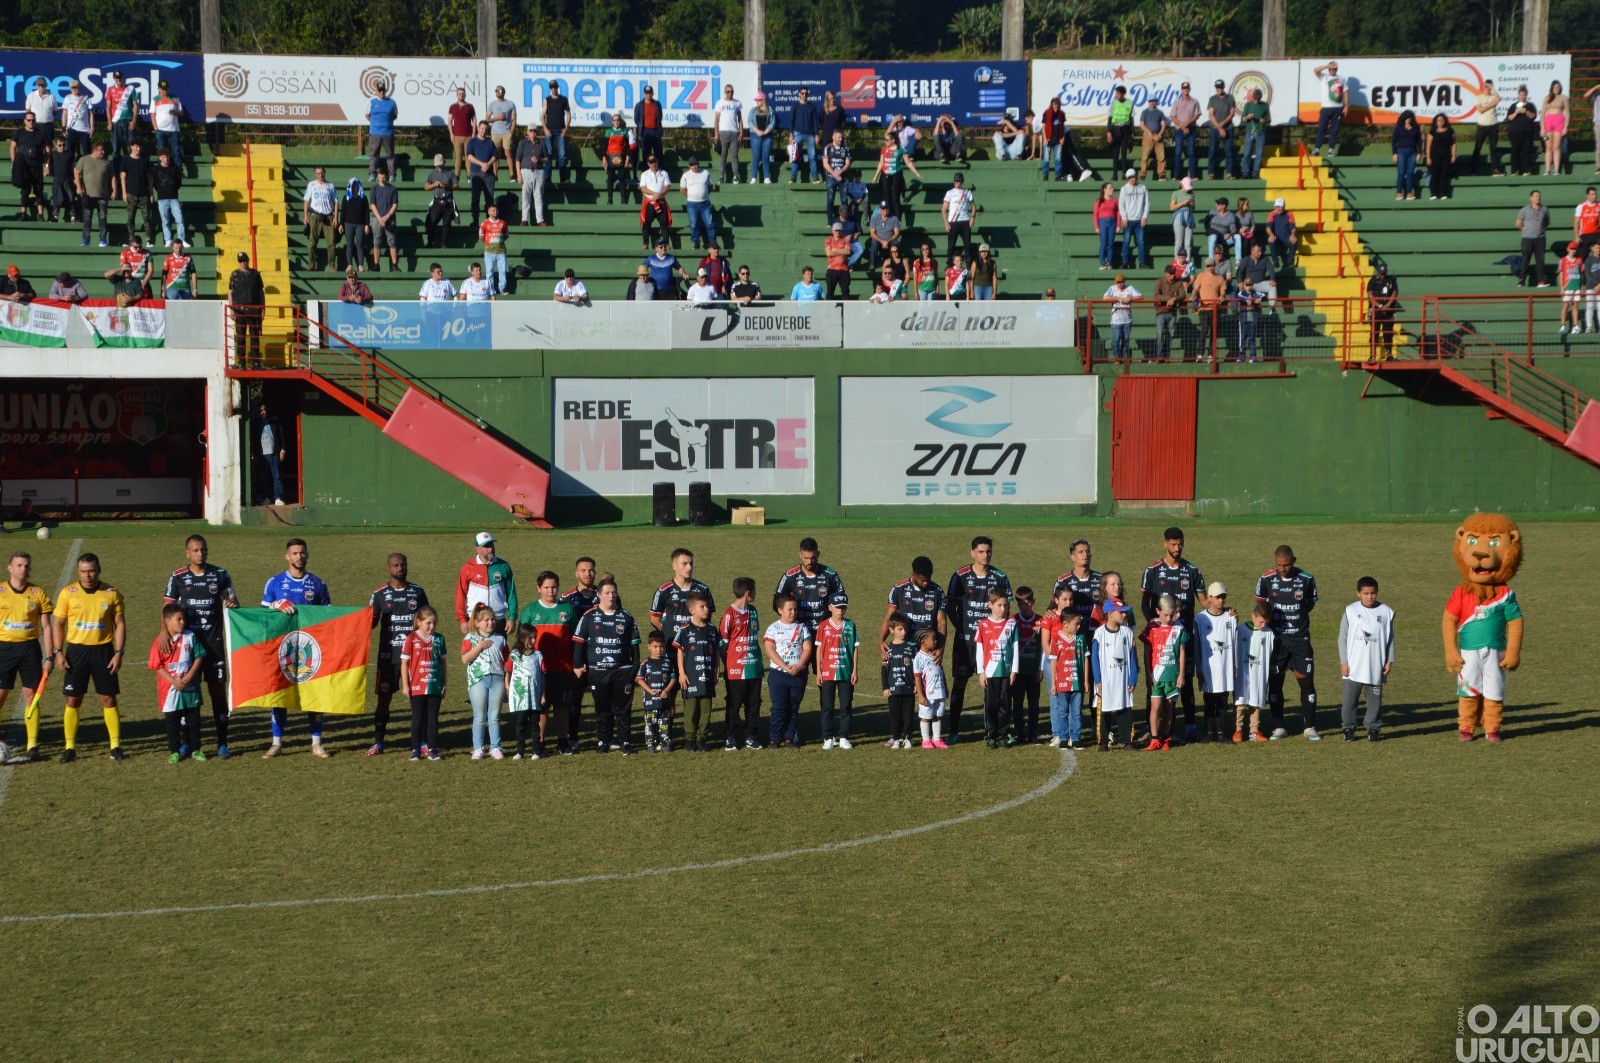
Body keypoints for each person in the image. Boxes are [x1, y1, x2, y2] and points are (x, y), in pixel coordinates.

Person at [260, 540, 331, 757]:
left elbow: (328, 618)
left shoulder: (319, 585)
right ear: (287, 557)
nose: (298, 556)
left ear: (307, 555)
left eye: (302, 553)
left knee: (314, 694)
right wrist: (274, 605)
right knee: (280, 694)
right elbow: (262, 616)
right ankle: (277, 743)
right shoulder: (274, 583)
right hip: (283, 648)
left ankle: (317, 743)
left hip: (310, 649)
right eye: (294, 553)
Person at [1139, 528, 1204, 740]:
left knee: (1184, 680)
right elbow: (1144, 602)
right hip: (1159, 640)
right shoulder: (1153, 570)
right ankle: (1153, 729)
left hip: (1183, 639)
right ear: (1165, 543)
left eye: (1180, 544)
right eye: (1173, 544)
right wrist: (1154, 623)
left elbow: (1204, 602)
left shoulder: (1192, 570)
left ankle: (1190, 726)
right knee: (1156, 681)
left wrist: (1226, 609)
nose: (1177, 548)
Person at [945, 537, 1010, 744]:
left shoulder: (1000, 576)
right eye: (981, 551)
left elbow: (1006, 608)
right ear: (972, 552)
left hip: (992, 644)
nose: (985, 555)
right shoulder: (960, 575)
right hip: (965, 643)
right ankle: (953, 731)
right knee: (960, 684)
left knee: (992, 686)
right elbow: (950, 607)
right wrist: (963, 628)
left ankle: (991, 731)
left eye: (988, 551)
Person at [1255, 544, 1319, 741]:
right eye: (1278, 565)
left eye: (1286, 564)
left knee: (1306, 683)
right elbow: (1261, 605)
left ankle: (1309, 727)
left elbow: (1310, 603)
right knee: (1275, 684)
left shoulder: (1306, 579)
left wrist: (1296, 620)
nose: (1282, 568)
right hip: (1277, 641)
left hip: (1300, 640)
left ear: (1293, 560)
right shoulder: (1266, 579)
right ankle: (1279, 727)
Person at [368, 552, 428, 756]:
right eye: (395, 565)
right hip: (388, 656)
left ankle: (423, 742)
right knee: (383, 700)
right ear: (388, 568)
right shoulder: (379, 594)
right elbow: (371, 624)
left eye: (403, 564)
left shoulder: (418, 592)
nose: (400, 568)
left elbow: (428, 621)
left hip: (415, 657)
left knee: (418, 700)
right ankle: (378, 742)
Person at [1, 551, 57, 764]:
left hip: (29, 650)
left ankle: (32, 744)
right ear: (10, 568)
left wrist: (50, 656)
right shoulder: (0, 591)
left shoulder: (37, 593)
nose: (23, 569)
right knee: (1, 695)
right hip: (3, 649)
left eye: (26, 566)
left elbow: (46, 627)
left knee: (30, 696)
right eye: (19, 565)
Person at [572, 579, 638, 756]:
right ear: (599, 595)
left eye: (614, 592)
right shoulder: (589, 616)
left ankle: (624, 740)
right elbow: (579, 642)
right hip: (598, 671)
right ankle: (603, 741)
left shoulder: (626, 616)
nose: (611, 596)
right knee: (602, 709)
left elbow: (634, 645)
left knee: (623, 709)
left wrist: (634, 668)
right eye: (607, 592)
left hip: (622, 670)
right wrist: (577, 664)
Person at [519, 571, 579, 753]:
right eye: (546, 587)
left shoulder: (567, 609)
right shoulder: (530, 611)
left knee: (562, 707)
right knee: (541, 708)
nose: (550, 591)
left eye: (554, 587)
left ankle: (562, 742)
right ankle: (541, 743)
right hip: (538, 669)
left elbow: (576, 637)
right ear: (539, 588)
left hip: (563, 667)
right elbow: (521, 641)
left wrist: (576, 663)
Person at [1338, 577, 1395, 742]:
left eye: (1373, 593)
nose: (1370, 597)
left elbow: (1390, 638)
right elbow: (1342, 638)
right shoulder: (1350, 611)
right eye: (1366, 593)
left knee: (1375, 701)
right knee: (1349, 701)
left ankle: (1373, 729)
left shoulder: (1386, 612)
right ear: (1358, 593)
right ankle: (1348, 728)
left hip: (1375, 665)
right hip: (1353, 665)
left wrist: (1389, 660)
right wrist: (1344, 661)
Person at [149, 603, 206, 763]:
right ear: (167, 621)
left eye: (183, 619)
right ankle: (174, 750)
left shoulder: (190, 636)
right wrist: (173, 681)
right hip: (170, 690)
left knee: (194, 721)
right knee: (172, 722)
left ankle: (196, 749)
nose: (182, 622)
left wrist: (188, 677)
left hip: (190, 687)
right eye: (178, 619)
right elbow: (156, 665)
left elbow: (199, 656)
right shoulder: (160, 642)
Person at [762, 594, 812, 749]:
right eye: (789, 609)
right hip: (778, 674)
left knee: (793, 707)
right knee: (778, 707)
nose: (793, 612)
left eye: (795, 609)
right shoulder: (773, 628)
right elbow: (769, 650)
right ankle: (774, 738)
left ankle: (790, 738)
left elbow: (808, 648)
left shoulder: (802, 627)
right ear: (779, 610)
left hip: (798, 675)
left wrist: (799, 665)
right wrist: (784, 666)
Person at [1139, 594, 1188, 750]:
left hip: (1172, 675)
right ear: (1158, 611)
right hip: (1156, 676)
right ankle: (1154, 738)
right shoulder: (1151, 628)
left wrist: (1181, 674)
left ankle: (1166, 738)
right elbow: (1147, 652)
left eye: (1171, 614)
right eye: (1165, 614)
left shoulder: (1179, 628)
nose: (1169, 617)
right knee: (1155, 706)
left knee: (1169, 707)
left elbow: (1182, 652)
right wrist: (1148, 674)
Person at [671, 594, 719, 753]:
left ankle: (702, 738)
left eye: (707, 606)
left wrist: (717, 669)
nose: (706, 609)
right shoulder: (684, 629)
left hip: (707, 675)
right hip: (690, 676)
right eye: (702, 607)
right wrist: (682, 673)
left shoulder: (712, 629)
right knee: (691, 710)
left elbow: (716, 651)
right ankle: (690, 739)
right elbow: (680, 652)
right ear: (692, 610)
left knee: (706, 710)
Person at [401, 607, 447, 761]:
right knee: (417, 718)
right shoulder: (411, 639)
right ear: (419, 622)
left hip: (434, 685)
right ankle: (416, 750)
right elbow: (404, 663)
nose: (432, 626)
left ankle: (433, 750)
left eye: (434, 623)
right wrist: (406, 685)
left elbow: (443, 663)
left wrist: (445, 682)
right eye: (428, 623)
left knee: (432, 718)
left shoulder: (439, 639)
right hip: (416, 685)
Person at [460, 604, 506, 760]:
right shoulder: (470, 638)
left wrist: (507, 680)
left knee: (494, 716)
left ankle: (495, 747)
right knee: (479, 716)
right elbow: (465, 658)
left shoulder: (500, 639)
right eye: (486, 620)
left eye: (493, 619)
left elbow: (507, 661)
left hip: (497, 679)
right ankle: (478, 748)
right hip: (478, 681)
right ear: (477, 622)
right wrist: (479, 647)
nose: (490, 622)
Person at [813, 593, 858, 749]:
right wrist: (818, 672)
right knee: (827, 706)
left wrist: (854, 671)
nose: (841, 610)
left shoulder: (851, 625)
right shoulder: (823, 626)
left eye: (843, 607)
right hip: (827, 672)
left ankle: (844, 736)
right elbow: (819, 650)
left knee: (846, 705)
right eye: (838, 607)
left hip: (845, 672)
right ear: (830, 607)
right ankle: (828, 737)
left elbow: (855, 649)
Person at [1091, 602, 1138, 750]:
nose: (1124, 615)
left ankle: (1126, 741)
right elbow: (1094, 659)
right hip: (1105, 680)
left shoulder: (1127, 633)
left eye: (1125, 612)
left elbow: (1132, 657)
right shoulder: (1099, 633)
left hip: (1123, 680)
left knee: (1124, 709)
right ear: (1110, 614)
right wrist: (1098, 680)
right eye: (1121, 612)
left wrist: (1133, 678)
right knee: (1105, 710)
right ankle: (1103, 742)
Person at [1194, 582, 1237, 743]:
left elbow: (1235, 642)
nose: (1221, 600)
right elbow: (1197, 646)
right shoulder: (1200, 619)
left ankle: (1221, 732)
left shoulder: (1231, 617)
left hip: (1226, 668)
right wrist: (1199, 667)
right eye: (1218, 597)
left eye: (1224, 597)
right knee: (1209, 701)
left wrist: (1235, 666)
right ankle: (1209, 732)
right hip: (1208, 669)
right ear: (1209, 598)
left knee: (1223, 701)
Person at [454, 530, 518, 636]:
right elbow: (460, 594)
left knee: (499, 652)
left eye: (491, 545)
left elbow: (511, 593)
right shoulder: (468, 568)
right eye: (486, 546)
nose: (491, 549)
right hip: (475, 621)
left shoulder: (504, 566)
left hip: (498, 620)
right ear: (477, 549)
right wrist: (462, 619)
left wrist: (512, 617)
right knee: (474, 652)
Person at [506, 623, 546, 759]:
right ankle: (520, 751)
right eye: (531, 638)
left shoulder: (538, 655)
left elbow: (542, 675)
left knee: (535, 724)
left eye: (535, 638)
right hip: (520, 697)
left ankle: (536, 751)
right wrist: (507, 685)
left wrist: (543, 694)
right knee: (520, 724)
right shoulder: (515, 654)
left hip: (534, 697)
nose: (534, 641)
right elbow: (508, 670)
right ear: (523, 638)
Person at [1235, 602, 1274, 742]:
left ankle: (1254, 731)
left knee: (1255, 701)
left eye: (1266, 622)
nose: (1263, 625)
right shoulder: (1240, 630)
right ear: (1253, 616)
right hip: (1242, 673)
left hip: (1259, 674)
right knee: (1240, 701)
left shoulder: (1269, 633)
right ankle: (1238, 730)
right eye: (1261, 621)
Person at [881, 613, 917, 749]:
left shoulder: (911, 646)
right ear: (891, 630)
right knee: (895, 716)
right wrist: (885, 687)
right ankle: (896, 738)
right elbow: (884, 670)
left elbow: (917, 667)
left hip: (908, 688)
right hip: (893, 689)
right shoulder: (888, 648)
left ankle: (908, 738)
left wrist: (916, 685)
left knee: (908, 715)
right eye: (900, 629)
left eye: (905, 629)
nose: (903, 632)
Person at [636, 632, 676, 752]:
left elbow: (673, 678)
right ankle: (651, 744)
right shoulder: (645, 663)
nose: (658, 650)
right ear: (649, 646)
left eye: (661, 647)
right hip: (650, 702)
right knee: (650, 724)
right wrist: (649, 691)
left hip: (664, 701)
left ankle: (665, 744)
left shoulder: (668, 663)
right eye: (655, 646)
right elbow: (639, 679)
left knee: (664, 724)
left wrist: (667, 690)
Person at [872, 128, 922, 220]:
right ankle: (886, 219)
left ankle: (897, 220)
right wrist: (876, 175)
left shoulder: (901, 149)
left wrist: (917, 173)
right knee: (886, 199)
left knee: (895, 199)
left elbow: (908, 163)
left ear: (893, 140)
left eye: (887, 140)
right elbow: (881, 163)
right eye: (885, 140)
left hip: (896, 176)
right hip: (885, 176)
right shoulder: (884, 149)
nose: (886, 142)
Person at [227, 252, 265, 366]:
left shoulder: (255, 274)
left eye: (244, 260)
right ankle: (242, 361)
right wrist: (231, 309)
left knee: (254, 337)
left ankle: (255, 362)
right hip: (240, 309)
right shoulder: (234, 274)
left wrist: (263, 308)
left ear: (248, 260)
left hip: (254, 309)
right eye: (240, 261)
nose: (243, 263)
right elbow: (230, 292)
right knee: (241, 338)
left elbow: (261, 292)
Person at [73, 140, 113, 247]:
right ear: (94, 150)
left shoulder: (107, 162)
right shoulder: (84, 159)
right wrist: (79, 187)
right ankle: (86, 240)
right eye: (101, 150)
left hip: (103, 194)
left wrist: (114, 190)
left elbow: (112, 177)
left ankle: (103, 239)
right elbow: (76, 172)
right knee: (87, 218)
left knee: (103, 218)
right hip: (88, 195)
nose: (103, 152)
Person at [116, 140, 155, 247]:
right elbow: (122, 177)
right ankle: (131, 239)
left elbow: (149, 178)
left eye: (140, 147)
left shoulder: (145, 161)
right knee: (130, 218)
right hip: (131, 193)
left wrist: (151, 193)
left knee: (146, 217)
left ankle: (148, 239)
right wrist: (124, 193)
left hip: (144, 194)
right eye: (136, 146)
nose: (138, 148)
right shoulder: (126, 160)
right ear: (132, 147)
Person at [303, 165, 338, 270]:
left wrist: (336, 217)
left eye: (322, 172)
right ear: (315, 174)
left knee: (331, 242)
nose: (320, 175)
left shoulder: (330, 185)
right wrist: (305, 215)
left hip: (328, 216)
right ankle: (312, 264)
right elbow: (306, 200)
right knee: (312, 242)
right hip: (315, 216)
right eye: (318, 173)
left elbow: (336, 202)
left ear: (325, 172)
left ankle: (332, 265)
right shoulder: (311, 185)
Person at [513, 129, 550, 228]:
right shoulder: (523, 143)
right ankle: (524, 219)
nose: (533, 133)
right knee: (525, 197)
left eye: (535, 131)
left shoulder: (541, 143)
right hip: (526, 171)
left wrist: (539, 159)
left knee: (538, 197)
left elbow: (547, 158)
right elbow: (517, 160)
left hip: (538, 171)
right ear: (527, 132)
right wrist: (519, 175)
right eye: (531, 131)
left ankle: (540, 219)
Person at [1516, 190, 1551, 288]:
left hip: (1540, 239)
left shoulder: (1545, 209)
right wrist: (1527, 231)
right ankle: (1522, 281)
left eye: (1539, 196)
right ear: (1531, 198)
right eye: (1536, 196)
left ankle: (1541, 281)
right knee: (1525, 259)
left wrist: (1539, 230)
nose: (1538, 198)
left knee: (1540, 260)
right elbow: (1518, 223)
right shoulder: (1525, 209)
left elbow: (1547, 222)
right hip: (1527, 239)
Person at [679, 156, 716, 251]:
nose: (694, 166)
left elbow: (710, 186)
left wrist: (704, 195)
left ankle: (712, 242)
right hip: (692, 204)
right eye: (691, 165)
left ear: (698, 164)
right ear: (689, 166)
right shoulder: (686, 175)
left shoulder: (705, 173)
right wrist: (690, 196)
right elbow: (682, 189)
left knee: (710, 223)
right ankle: (696, 242)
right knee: (694, 224)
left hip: (705, 203)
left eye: (695, 164)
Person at [1152, 264, 1187, 362]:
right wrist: (1169, 299)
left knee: (1170, 335)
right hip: (1161, 312)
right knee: (1160, 335)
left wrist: (1174, 298)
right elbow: (1156, 295)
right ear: (1166, 273)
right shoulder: (1159, 282)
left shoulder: (1178, 283)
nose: (1173, 275)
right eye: (1171, 273)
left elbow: (1183, 294)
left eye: (1174, 273)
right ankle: (1159, 356)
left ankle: (1167, 356)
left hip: (1172, 312)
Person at [465, 121, 498, 226]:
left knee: (490, 198)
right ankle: (475, 220)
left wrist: (488, 164)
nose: (483, 131)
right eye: (482, 128)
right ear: (478, 128)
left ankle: (490, 220)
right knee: (475, 198)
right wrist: (481, 164)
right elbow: (469, 156)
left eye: (485, 129)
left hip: (488, 175)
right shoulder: (472, 141)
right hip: (476, 173)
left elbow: (495, 155)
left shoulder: (490, 142)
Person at [1311, 61, 1347, 157]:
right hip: (1326, 107)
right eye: (1331, 69)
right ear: (1328, 69)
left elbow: (1345, 92)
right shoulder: (1324, 77)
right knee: (1322, 128)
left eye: (1334, 69)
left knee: (1334, 130)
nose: (1332, 70)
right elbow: (1315, 70)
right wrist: (1327, 66)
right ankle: (1317, 148)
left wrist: (1347, 106)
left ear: (1337, 69)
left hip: (1338, 108)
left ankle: (1331, 149)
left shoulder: (1342, 78)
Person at [1469, 81, 1504, 177]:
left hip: (1493, 125)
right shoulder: (1478, 97)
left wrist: (1493, 88)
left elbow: (1498, 99)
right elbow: (1481, 109)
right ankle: (1473, 171)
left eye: (1489, 86)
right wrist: (1493, 104)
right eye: (1486, 86)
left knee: (1493, 148)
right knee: (1477, 148)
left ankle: (1495, 170)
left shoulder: (1493, 96)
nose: (1487, 88)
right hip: (1482, 126)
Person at [424, 155, 460, 247]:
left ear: (444, 163)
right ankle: (430, 242)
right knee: (432, 222)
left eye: (440, 165)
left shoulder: (450, 173)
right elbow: (426, 187)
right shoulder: (432, 173)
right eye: (437, 166)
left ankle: (444, 244)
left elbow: (456, 185)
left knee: (447, 224)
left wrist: (447, 186)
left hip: (448, 201)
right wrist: (435, 185)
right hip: (437, 200)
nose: (439, 167)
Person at [151, 147, 185, 246]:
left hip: (174, 198)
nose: (166, 158)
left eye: (167, 156)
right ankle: (168, 239)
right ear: (160, 158)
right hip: (162, 198)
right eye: (163, 157)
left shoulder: (175, 168)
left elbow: (178, 182)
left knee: (180, 219)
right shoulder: (156, 169)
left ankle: (181, 239)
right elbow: (155, 183)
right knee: (165, 221)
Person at [105, 69, 140, 164]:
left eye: (119, 78)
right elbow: (108, 108)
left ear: (122, 77)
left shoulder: (130, 89)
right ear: (113, 79)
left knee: (132, 147)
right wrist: (109, 123)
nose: (118, 80)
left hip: (129, 121)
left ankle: (131, 169)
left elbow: (136, 106)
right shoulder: (110, 89)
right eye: (116, 78)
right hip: (116, 122)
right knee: (116, 149)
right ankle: (116, 172)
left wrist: (134, 121)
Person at [365, 79, 398, 180]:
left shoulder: (392, 102)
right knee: (374, 154)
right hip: (375, 133)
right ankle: (372, 173)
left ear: (385, 90)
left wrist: (386, 123)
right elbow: (367, 115)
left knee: (390, 154)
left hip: (388, 133)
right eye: (379, 90)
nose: (381, 92)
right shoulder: (372, 102)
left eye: (383, 90)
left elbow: (395, 115)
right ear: (376, 91)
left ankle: (392, 174)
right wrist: (375, 123)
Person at [1103, 273, 1141, 361]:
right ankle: (1117, 358)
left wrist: (1130, 298)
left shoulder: (1129, 288)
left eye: (1121, 282)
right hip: (1116, 319)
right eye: (1118, 282)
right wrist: (1117, 299)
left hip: (1127, 319)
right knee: (1116, 339)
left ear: (1124, 281)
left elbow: (1140, 296)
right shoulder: (1112, 288)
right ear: (1115, 282)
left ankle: (1123, 357)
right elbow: (1105, 298)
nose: (1120, 284)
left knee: (1125, 340)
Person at [711, 83, 743, 185]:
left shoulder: (737, 103)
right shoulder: (720, 103)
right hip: (723, 132)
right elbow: (716, 119)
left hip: (734, 132)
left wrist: (741, 132)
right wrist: (716, 133)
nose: (730, 93)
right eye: (728, 91)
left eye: (732, 91)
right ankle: (721, 176)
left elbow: (740, 119)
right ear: (725, 92)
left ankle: (735, 176)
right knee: (723, 155)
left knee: (734, 155)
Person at [1206, 79, 1239, 180]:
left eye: (1219, 87)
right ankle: (1211, 173)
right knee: (1212, 150)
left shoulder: (1230, 98)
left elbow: (1232, 113)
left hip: (1228, 128)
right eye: (1216, 87)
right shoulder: (1212, 99)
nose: (1218, 89)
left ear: (1223, 87)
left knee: (1229, 151)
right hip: (1215, 129)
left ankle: (1229, 173)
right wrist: (1219, 127)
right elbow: (1211, 115)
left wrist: (1223, 124)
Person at [368, 169, 399, 273]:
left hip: (390, 218)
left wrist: (387, 216)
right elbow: (372, 204)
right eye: (380, 177)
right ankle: (376, 264)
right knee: (377, 240)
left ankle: (394, 265)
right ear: (377, 176)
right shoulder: (374, 189)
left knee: (392, 241)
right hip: (377, 217)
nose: (382, 179)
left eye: (384, 177)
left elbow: (395, 204)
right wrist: (380, 218)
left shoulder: (393, 189)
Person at [1168, 81, 1201, 181]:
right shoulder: (1177, 103)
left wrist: (1187, 124)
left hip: (1191, 130)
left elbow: (1197, 115)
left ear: (1189, 89)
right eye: (1184, 88)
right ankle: (1176, 175)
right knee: (1178, 153)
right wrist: (1183, 126)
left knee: (1191, 152)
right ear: (1181, 90)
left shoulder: (1195, 102)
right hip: (1179, 130)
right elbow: (1172, 117)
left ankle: (1193, 174)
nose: (1186, 90)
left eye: (1187, 88)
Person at [1118, 169, 1149, 270]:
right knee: (1126, 241)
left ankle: (1142, 262)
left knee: (1141, 242)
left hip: (1139, 220)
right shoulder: (1124, 189)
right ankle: (1124, 262)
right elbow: (1121, 204)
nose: (1132, 179)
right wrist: (1124, 217)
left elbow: (1147, 203)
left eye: (1133, 177)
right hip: (1128, 220)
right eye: (1129, 177)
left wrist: (1144, 217)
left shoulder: (1143, 188)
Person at [941, 171, 975, 265]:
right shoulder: (950, 193)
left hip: (965, 221)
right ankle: (949, 266)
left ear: (962, 181)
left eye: (959, 181)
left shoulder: (967, 192)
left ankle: (968, 266)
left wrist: (972, 217)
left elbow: (973, 207)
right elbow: (943, 209)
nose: (957, 182)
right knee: (951, 245)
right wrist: (946, 222)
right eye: (955, 181)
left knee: (967, 246)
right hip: (953, 221)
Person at [788, 86, 820, 184]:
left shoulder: (812, 106)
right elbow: (791, 121)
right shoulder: (795, 106)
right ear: (799, 94)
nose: (804, 95)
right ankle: (793, 178)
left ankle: (815, 178)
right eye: (802, 93)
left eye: (806, 93)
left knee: (812, 157)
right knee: (795, 156)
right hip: (797, 133)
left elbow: (815, 121)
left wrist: (817, 134)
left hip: (810, 134)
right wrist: (791, 134)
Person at [337, 178, 369, 274]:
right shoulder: (346, 197)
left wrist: (367, 224)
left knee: (359, 245)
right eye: (353, 185)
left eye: (356, 185)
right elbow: (343, 212)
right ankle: (350, 264)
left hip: (360, 224)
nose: (355, 187)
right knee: (349, 245)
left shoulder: (363, 197)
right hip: (348, 224)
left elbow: (366, 212)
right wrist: (341, 224)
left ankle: (360, 265)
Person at [542, 80, 572, 182]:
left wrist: (565, 130)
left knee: (562, 155)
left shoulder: (563, 99)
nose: (553, 89)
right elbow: (542, 116)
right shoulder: (547, 100)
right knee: (548, 154)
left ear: (558, 87)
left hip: (560, 131)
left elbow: (568, 114)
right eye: (551, 87)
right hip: (549, 130)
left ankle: (563, 178)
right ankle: (547, 177)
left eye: (555, 87)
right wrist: (545, 129)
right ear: (550, 88)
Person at [150, 80, 184, 169]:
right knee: (161, 151)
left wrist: (175, 113)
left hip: (174, 129)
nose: (165, 91)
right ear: (159, 89)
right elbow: (152, 115)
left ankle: (179, 171)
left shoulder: (175, 98)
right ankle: (161, 170)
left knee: (176, 151)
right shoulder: (155, 99)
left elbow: (181, 112)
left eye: (166, 89)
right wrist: (156, 128)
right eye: (163, 89)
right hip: (160, 130)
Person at [1367, 262, 1399, 356]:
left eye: (1384, 274)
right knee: (1374, 333)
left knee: (1388, 333)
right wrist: (1379, 306)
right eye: (1381, 274)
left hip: (1388, 310)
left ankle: (1389, 354)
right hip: (1376, 310)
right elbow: (1370, 295)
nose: (1382, 276)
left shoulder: (1391, 280)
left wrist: (1388, 305)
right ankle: (1372, 354)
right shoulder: (1372, 280)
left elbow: (1394, 293)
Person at [821, 129, 852, 222]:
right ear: (833, 137)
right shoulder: (828, 148)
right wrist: (834, 173)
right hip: (831, 176)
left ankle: (845, 220)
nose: (841, 139)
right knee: (830, 199)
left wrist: (841, 171)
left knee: (845, 200)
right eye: (839, 137)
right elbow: (825, 164)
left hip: (843, 177)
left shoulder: (846, 149)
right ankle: (830, 221)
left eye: (842, 137)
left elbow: (847, 164)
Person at [632, 84, 665, 172]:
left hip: (656, 131)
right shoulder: (639, 105)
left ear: (653, 93)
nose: (648, 95)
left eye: (650, 93)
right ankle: (646, 173)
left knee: (658, 153)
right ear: (644, 94)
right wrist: (641, 128)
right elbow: (636, 119)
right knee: (646, 154)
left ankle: (660, 172)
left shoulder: (657, 104)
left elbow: (660, 117)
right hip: (645, 132)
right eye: (647, 93)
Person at [1391, 111, 1422, 201]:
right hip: (1401, 152)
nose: (1408, 119)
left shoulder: (1416, 128)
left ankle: (1409, 193)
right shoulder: (1399, 128)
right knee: (1401, 173)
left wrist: (1419, 153)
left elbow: (1419, 141)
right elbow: (1393, 141)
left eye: (1410, 117)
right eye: (1407, 117)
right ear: (1403, 118)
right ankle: (1399, 193)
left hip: (1412, 152)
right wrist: (1394, 153)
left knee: (1410, 173)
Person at [478, 202, 508, 295]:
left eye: (496, 210)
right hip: (489, 251)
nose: (495, 212)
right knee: (489, 271)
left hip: (501, 251)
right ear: (489, 211)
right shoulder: (484, 223)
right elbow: (481, 236)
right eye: (493, 210)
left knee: (502, 271)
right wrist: (489, 243)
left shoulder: (503, 222)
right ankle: (490, 290)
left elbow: (506, 235)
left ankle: (502, 288)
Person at [1425, 114, 1457, 200]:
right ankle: (1433, 193)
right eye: (1438, 120)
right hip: (1434, 156)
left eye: (1442, 120)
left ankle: (1443, 193)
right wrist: (1428, 157)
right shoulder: (1432, 132)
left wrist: (1453, 155)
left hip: (1446, 156)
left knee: (1444, 174)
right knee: (1435, 174)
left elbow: (1453, 144)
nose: (1440, 122)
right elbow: (1428, 146)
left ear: (1445, 120)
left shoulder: (1450, 131)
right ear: (1435, 122)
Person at [1540, 80, 1568, 176]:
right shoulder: (1547, 98)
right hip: (1548, 121)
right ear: (1552, 88)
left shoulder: (1564, 98)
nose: (1557, 88)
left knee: (1556, 147)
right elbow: (1543, 113)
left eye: (1558, 87)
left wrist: (1566, 127)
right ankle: (1547, 169)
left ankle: (1556, 169)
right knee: (1548, 147)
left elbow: (1567, 113)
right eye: (1555, 87)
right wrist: (1542, 127)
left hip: (1559, 121)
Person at [46, 132, 76, 223]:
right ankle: (55, 215)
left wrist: (75, 178)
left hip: (68, 179)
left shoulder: (69, 154)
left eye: (63, 145)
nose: (62, 147)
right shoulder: (53, 154)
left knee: (71, 197)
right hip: (57, 179)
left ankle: (73, 216)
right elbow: (48, 164)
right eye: (60, 145)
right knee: (58, 198)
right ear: (56, 145)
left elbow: (73, 166)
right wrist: (47, 169)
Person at [1138, 95, 1168, 181]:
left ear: (1156, 101)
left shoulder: (1160, 113)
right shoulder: (1144, 112)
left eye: (1154, 101)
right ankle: (1143, 174)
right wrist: (1149, 133)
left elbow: (1163, 124)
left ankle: (1162, 174)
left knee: (1161, 156)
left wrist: (1159, 134)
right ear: (1148, 102)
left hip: (1158, 136)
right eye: (1150, 101)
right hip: (1148, 135)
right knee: (1145, 156)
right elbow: (1142, 124)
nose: (1152, 103)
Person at [1506, 99, 1539, 177]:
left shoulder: (1530, 105)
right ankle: (1514, 171)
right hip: (1514, 131)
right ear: (1518, 96)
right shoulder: (1513, 106)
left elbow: (1533, 116)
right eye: (1521, 95)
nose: (1522, 96)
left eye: (1524, 95)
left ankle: (1526, 170)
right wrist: (1516, 112)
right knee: (1515, 150)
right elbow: (1509, 118)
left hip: (1527, 131)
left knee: (1525, 151)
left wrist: (1526, 111)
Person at [1233, 276, 1263, 363]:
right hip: (1243, 319)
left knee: (1252, 338)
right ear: (1244, 285)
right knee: (1242, 338)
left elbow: (1264, 295)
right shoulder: (1242, 293)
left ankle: (1253, 355)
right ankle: (1242, 355)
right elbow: (1238, 296)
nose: (1248, 287)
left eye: (1250, 285)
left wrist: (1259, 299)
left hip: (1253, 319)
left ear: (1252, 285)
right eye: (1247, 285)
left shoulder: (1255, 293)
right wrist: (1246, 300)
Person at [447, 86, 476, 175]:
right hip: (457, 136)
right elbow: (449, 121)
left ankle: (469, 176)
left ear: (465, 95)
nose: (461, 95)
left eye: (462, 94)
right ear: (457, 95)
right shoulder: (453, 107)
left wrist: (474, 133)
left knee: (468, 156)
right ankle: (457, 176)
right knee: (458, 156)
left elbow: (474, 120)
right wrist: (451, 133)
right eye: (459, 94)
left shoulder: (470, 106)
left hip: (468, 136)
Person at [748, 92, 775, 184]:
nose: (757, 101)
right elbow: (750, 122)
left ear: (763, 100)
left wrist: (765, 131)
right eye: (756, 100)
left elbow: (772, 123)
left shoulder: (770, 110)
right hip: (756, 135)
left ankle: (766, 177)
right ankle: (753, 177)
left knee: (765, 157)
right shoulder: (753, 110)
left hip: (767, 136)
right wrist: (757, 131)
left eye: (759, 100)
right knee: (755, 156)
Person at [1559, 240, 1585, 335]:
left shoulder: (1580, 260)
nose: (1573, 250)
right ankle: (1563, 326)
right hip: (1567, 286)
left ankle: (1575, 326)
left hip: (1577, 286)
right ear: (1567, 249)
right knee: (1565, 306)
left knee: (1575, 306)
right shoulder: (1563, 260)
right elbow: (1561, 274)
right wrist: (1562, 288)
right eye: (1571, 249)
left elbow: (1582, 274)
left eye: (1575, 249)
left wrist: (1582, 287)